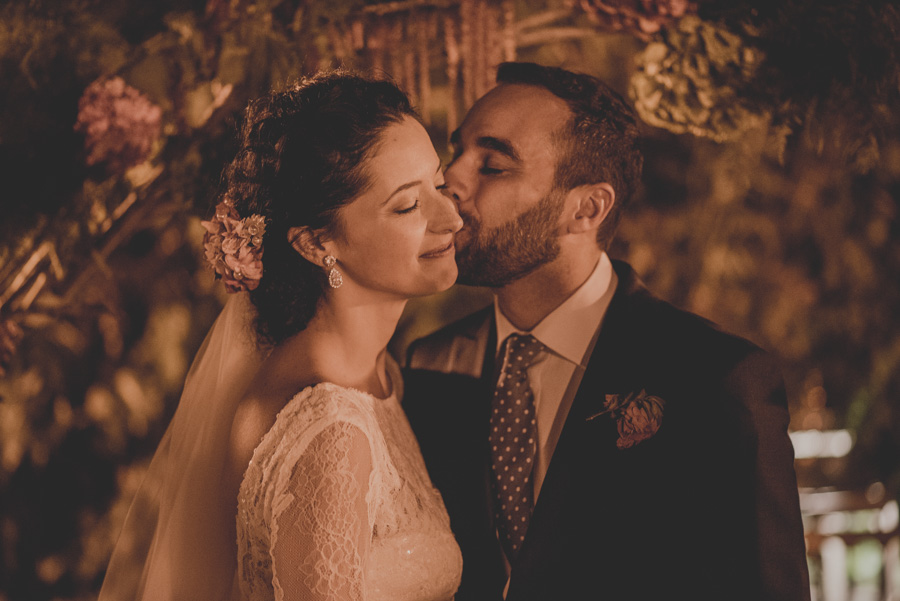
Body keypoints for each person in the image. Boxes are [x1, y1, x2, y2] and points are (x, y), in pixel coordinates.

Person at [403, 62, 811, 601]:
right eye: (457, 153)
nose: (451, 180)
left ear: (586, 209)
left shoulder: (717, 380)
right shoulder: (429, 363)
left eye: (493, 165)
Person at [99, 70, 464, 601]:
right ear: (318, 244)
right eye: (408, 205)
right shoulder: (331, 433)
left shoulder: (377, 376)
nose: (450, 216)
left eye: (439, 184)